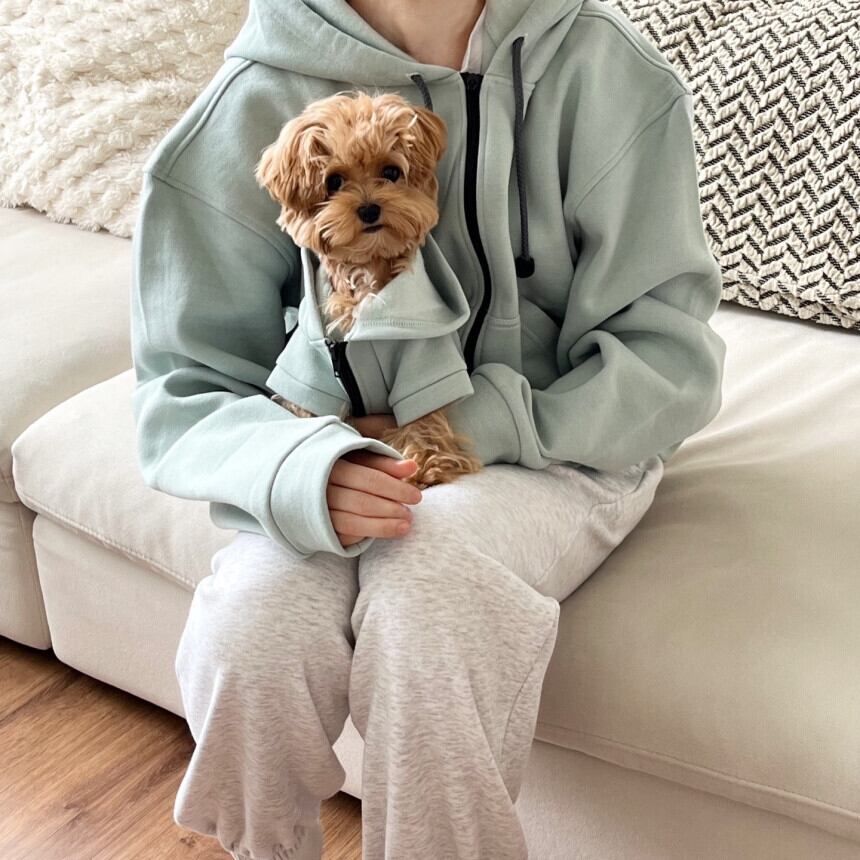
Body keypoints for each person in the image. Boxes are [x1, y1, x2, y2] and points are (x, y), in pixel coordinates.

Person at [129, 0, 727, 858]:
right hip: (330, 445)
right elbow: (183, 385)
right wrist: (302, 466)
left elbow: (668, 361)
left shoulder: (606, 71)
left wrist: (474, 422)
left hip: (568, 440)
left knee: (430, 600)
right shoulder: (254, 95)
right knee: (252, 629)